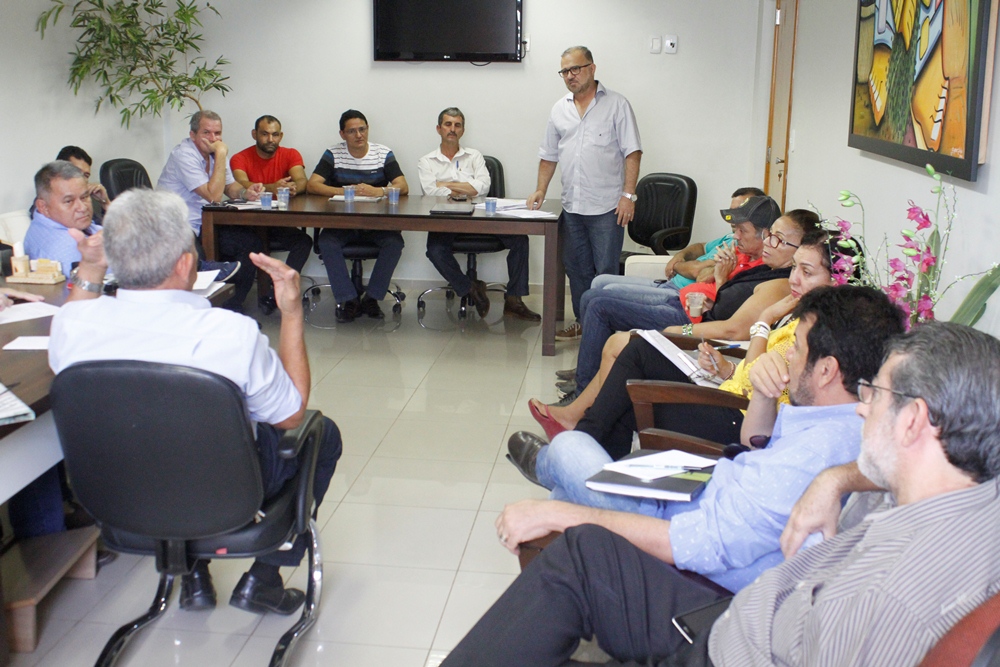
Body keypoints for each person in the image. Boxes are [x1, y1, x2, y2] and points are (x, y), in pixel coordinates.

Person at [443, 319, 1000, 667]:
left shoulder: (887, 598)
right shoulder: (964, 491)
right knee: (583, 552)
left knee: (576, 542)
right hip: (743, 613)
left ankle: (552, 472)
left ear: (915, 422)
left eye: (875, 396)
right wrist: (837, 479)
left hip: (720, 639)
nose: (860, 408)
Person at [48, 189, 342, 615]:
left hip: (121, 499)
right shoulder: (229, 332)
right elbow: (291, 413)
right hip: (225, 495)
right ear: (187, 263)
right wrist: (292, 314)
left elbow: (78, 313)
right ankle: (264, 577)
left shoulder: (73, 324)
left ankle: (192, 573)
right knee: (321, 433)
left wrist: (92, 266)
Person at [528, 208, 820, 459]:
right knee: (631, 354)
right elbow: (752, 369)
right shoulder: (777, 286)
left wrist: (684, 330)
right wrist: (727, 366)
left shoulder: (792, 305)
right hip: (722, 368)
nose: (795, 277)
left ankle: (574, 449)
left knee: (629, 355)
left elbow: (737, 334)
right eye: (771, 235)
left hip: (731, 405)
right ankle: (584, 455)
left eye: (805, 271)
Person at [566, 194, 782, 399]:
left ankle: (583, 391)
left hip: (688, 317)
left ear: (764, 234)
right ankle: (587, 380)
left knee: (597, 304)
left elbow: (726, 316)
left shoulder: (763, 272)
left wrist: (719, 278)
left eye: (742, 230)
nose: (736, 236)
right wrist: (713, 272)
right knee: (593, 296)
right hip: (682, 301)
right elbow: (704, 276)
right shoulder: (742, 251)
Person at [526, 46, 642, 340]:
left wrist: (628, 196)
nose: (570, 76)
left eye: (575, 69)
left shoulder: (617, 105)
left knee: (604, 273)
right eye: (565, 71)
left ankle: (605, 330)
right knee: (576, 270)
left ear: (592, 68)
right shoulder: (559, 109)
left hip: (607, 207)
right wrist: (541, 188)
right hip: (573, 207)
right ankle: (583, 322)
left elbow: (632, 152)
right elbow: (549, 155)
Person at [418, 107, 540, 321]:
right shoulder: (427, 161)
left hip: (482, 217)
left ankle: (514, 300)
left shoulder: (474, 156)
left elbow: (482, 187)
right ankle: (470, 287)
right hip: (447, 219)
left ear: (463, 130)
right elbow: (431, 191)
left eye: (457, 125)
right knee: (435, 250)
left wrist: (446, 184)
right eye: (448, 124)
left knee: (520, 239)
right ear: (439, 128)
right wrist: (466, 187)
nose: (452, 129)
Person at [157, 109, 265, 312]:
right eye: (206, 133)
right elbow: (214, 196)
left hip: (204, 223)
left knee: (251, 244)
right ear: (193, 135)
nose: (213, 139)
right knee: (195, 258)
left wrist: (245, 193)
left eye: (217, 133)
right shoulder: (184, 155)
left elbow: (229, 187)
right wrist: (222, 153)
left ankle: (232, 306)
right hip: (174, 225)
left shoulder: (215, 155)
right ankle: (203, 310)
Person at [306, 109, 408, 322]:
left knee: (394, 243)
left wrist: (379, 191)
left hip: (376, 224)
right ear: (342, 134)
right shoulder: (333, 154)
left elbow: (402, 186)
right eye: (352, 131)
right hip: (342, 223)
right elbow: (312, 185)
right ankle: (349, 300)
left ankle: (372, 297)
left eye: (362, 129)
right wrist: (345, 191)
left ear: (368, 129)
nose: (358, 135)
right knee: (327, 241)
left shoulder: (382, 153)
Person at [230, 114, 314, 314]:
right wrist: (273, 187)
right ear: (254, 134)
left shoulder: (291, 154)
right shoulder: (239, 158)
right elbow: (240, 185)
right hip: (248, 225)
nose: (270, 139)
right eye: (265, 134)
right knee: (252, 244)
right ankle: (237, 300)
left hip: (278, 224)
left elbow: (302, 181)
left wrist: (295, 188)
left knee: (303, 242)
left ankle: (278, 292)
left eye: (275, 135)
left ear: (281, 136)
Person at [24, 161, 102, 278]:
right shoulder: (69, 247)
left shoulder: (46, 221)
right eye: (69, 201)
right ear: (43, 207)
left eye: (85, 197)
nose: (82, 207)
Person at [54, 145, 110, 224]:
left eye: (86, 175)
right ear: (59, 172)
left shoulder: (85, 201)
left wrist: (105, 203)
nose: (82, 179)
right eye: (76, 172)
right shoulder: (47, 203)